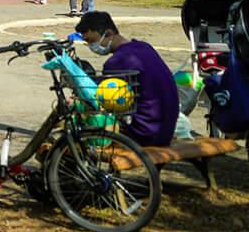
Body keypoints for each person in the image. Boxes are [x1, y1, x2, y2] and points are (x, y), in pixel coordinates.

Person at [73, 11, 179, 148]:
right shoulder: (144, 47)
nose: (92, 47)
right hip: (166, 128)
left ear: (109, 34)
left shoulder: (117, 61)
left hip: (144, 132)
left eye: (91, 41)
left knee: (80, 116)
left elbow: (101, 100)